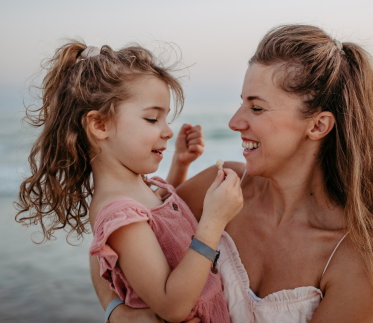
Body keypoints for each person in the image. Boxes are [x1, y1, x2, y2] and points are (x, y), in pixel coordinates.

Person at [92, 25, 373, 323]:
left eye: (256, 107)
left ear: (318, 125)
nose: (234, 122)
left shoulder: (358, 259)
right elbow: (112, 239)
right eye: (242, 102)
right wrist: (118, 313)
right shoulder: (220, 188)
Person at [15, 42, 244, 323]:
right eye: (152, 118)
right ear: (100, 125)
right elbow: (172, 306)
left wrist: (180, 164)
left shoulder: (136, 189)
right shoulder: (119, 213)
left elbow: (160, 223)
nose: (168, 131)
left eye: (165, 119)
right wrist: (213, 221)